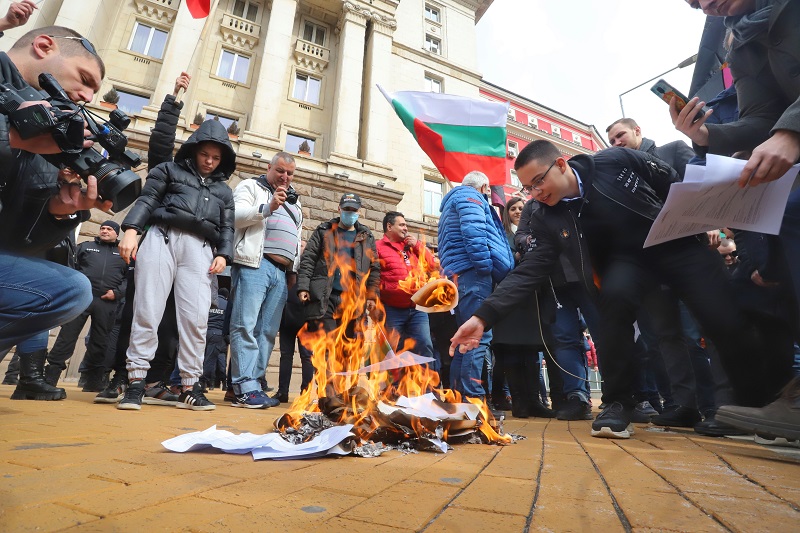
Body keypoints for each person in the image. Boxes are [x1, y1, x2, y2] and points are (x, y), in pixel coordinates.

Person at [450, 140, 793, 439]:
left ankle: (757, 406)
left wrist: (695, 222)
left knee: (719, 313)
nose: (536, 193)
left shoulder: (615, 161)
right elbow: (530, 270)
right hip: (627, 261)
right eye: (528, 188)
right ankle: (617, 402)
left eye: (539, 181)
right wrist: (483, 316)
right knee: (612, 303)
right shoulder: (543, 215)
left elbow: (670, 181)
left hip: (675, 242)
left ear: (560, 165)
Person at [675, 0, 800, 442]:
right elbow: (761, 117)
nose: (705, 6)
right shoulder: (739, 39)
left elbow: (780, 127)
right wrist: (708, 136)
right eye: (694, 4)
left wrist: (791, 133)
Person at [0, 25, 108, 400]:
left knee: (68, 289)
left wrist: (59, 212)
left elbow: (15, 241)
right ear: (44, 46)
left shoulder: (46, 128)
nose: (89, 97)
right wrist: (13, 139)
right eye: (85, 79)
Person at [115, 118, 235, 411]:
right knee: (147, 308)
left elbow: (227, 227)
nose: (209, 161)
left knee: (196, 318)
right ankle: (136, 381)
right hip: (161, 238)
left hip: (201, 248)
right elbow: (148, 199)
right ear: (194, 150)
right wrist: (131, 229)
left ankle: (191, 385)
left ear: (223, 159)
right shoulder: (169, 169)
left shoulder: (224, 191)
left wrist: (224, 254)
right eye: (205, 154)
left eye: (216, 157)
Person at [93, 73, 190, 405]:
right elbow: (162, 140)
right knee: (135, 312)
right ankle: (121, 375)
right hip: (150, 250)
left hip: (183, 260)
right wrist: (174, 99)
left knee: (172, 324)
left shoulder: (207, 188)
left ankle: (157, 380)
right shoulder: (166, 172)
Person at [228, 152, 303, 408]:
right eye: (280, 171)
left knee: (268, 332)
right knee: (245, 326)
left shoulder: (295, 201)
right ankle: (244, 385)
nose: (285, 177)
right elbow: (234, 216)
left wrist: (293, 271)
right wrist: (268, 207)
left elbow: (296, 239)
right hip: (254, 265)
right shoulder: (251, 186)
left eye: (290, 173)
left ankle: (253, 383)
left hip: (281, 274)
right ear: (269, 167)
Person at [437, 172, 514, 400]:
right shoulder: (471, 197)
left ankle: (460, 398)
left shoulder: (455, 199)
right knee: (478, 338)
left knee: (466, 335)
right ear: (484, 186)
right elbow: (474, 233)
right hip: (473, 273)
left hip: (460, 274)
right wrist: (484, 267)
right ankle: (473, 399)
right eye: (488, 190)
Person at [44, 220, 127, 391]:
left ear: (117, 233)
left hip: (107, 301)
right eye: (102, 228)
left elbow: (129, 278)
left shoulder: (123, 251)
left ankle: (93, 381)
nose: (104, 231)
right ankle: (50, 378)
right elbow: (72, 268)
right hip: (82, 299)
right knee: (66, 337)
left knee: (100, 341)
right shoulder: (85, 247)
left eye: (109, 229)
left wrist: (117, 293)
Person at [297, 192, 380, 339]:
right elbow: (308, 258)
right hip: (326, 297)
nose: (350, 213)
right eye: (346, 209)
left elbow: (374, 269)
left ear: (359, 211)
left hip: (353, 300)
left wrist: (372, 296)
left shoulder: (367, 237)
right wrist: (303, 286)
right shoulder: (324, 231)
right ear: (339, 209)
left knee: (348, 350)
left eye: (354, 210)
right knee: (328, 346)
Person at [375, 211, 437, 372]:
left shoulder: (411, 246)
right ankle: (394, 392)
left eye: (406, 225)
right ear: (389, 226)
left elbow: (432, 265)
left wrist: (417, 245)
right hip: (392, 309)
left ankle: (427, 390)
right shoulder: (378, 247)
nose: (406, 228)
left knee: (425, 345)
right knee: (393, 351)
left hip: (417, 309)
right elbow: (372, 276)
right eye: (402, 225)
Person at [275, 241, 313, 403]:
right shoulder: (286, 268)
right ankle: (282, 391)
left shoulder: (309, 270)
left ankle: (305, 393)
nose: (300, 248)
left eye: (303, 246)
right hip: (287, 318)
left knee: (307, 357)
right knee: (286, 355)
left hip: (305, 319)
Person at [606, 117, 695, 178]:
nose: (617, 143)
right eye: (612, 141)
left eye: (620, 135)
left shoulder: (675, 149)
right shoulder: (623, 174)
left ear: (637, 131)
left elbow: (702, 184)